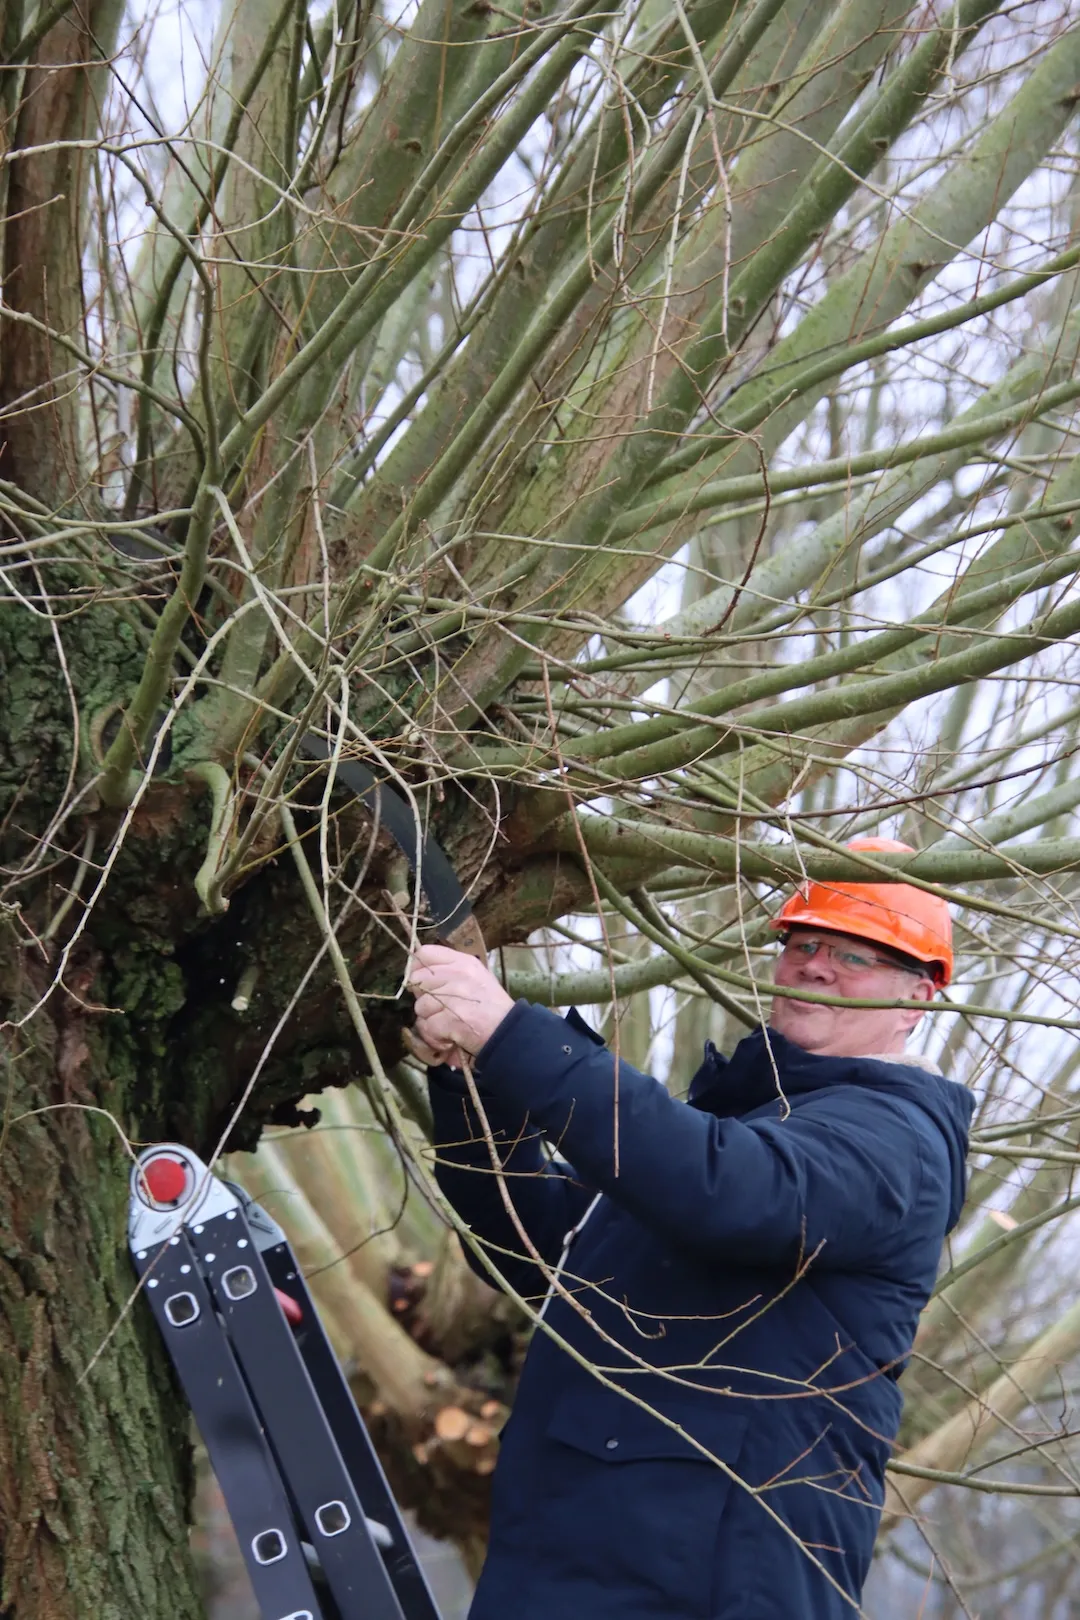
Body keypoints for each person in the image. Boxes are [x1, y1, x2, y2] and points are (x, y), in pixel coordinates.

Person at [408, 838, 973, 1620]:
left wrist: (513, 1037)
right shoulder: (740, 1123)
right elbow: (530, 1247)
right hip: (579, 1562)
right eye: (804, 944)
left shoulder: (892, 1137)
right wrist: (472, 1077)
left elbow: (728, 1189)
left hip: (707, 1589)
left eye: (857, 956)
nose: (816, 965)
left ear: (917, 998)